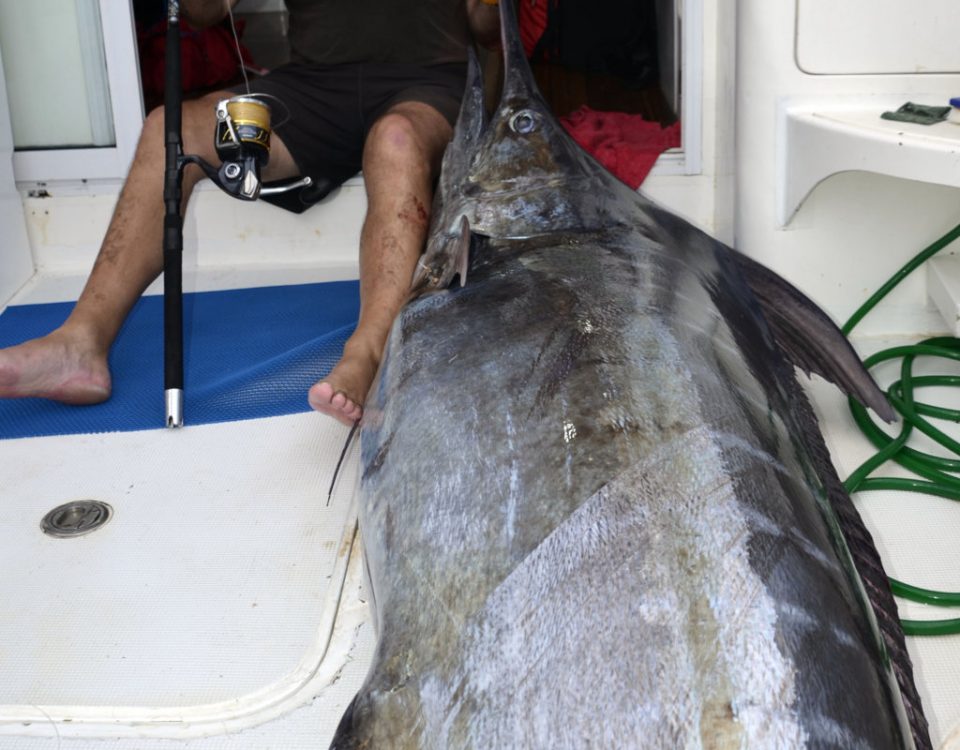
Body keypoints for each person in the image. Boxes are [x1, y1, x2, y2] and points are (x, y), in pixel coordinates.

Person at [0, 0, 500, 426]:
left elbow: (488, 27)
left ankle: (368, 352)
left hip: (431, 81)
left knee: (396, 140)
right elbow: (200, 12)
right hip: (313, 89)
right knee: (171, 127)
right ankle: (80, 343)